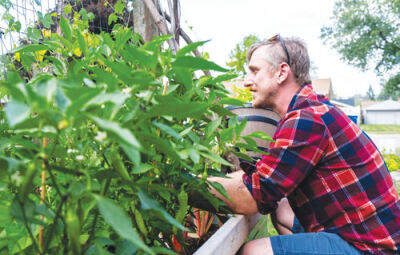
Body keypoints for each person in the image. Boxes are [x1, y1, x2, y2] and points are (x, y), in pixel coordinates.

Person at [208, 35, 400, 254]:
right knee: (281, 212)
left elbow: (253, 196)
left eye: (254, 71)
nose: (246, 81)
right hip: (369, 233)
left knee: (252, 252)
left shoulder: (306, 120)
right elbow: (267, 179)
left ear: (281, 72)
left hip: (371, 248)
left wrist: (186, 185)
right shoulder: (312, 110)